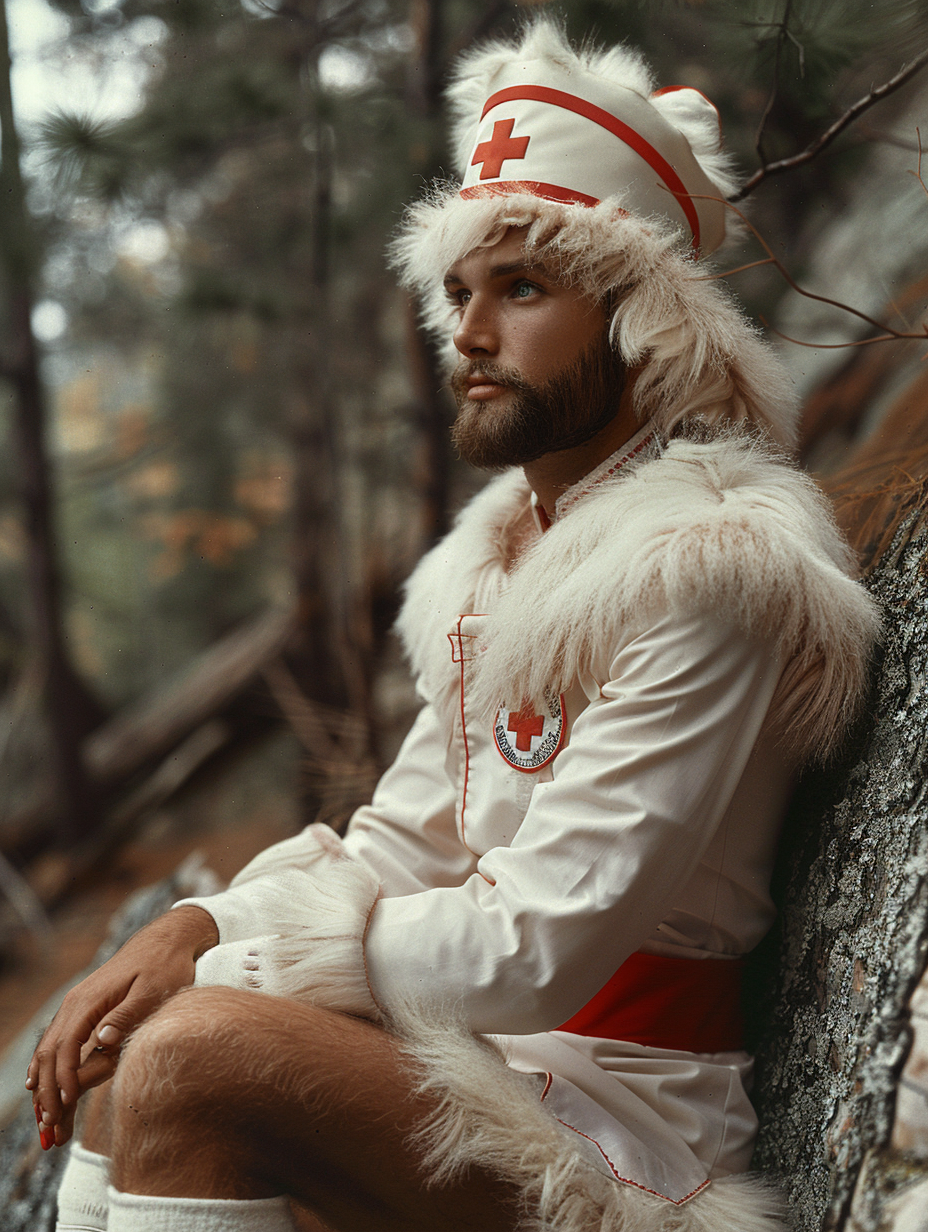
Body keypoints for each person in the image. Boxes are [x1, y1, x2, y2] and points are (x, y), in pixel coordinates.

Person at [33, 18, 880, 1232]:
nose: (469, 337)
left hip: (623, 1128)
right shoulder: (504, 552)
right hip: (477, 1063)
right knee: (137, 1047)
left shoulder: (710, 561)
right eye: (458, 293)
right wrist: (198, 920)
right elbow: (402, 840)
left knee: (190, 1048)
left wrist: (228, 966)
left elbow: (534, 947)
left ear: (641, 315)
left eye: (522, 288)